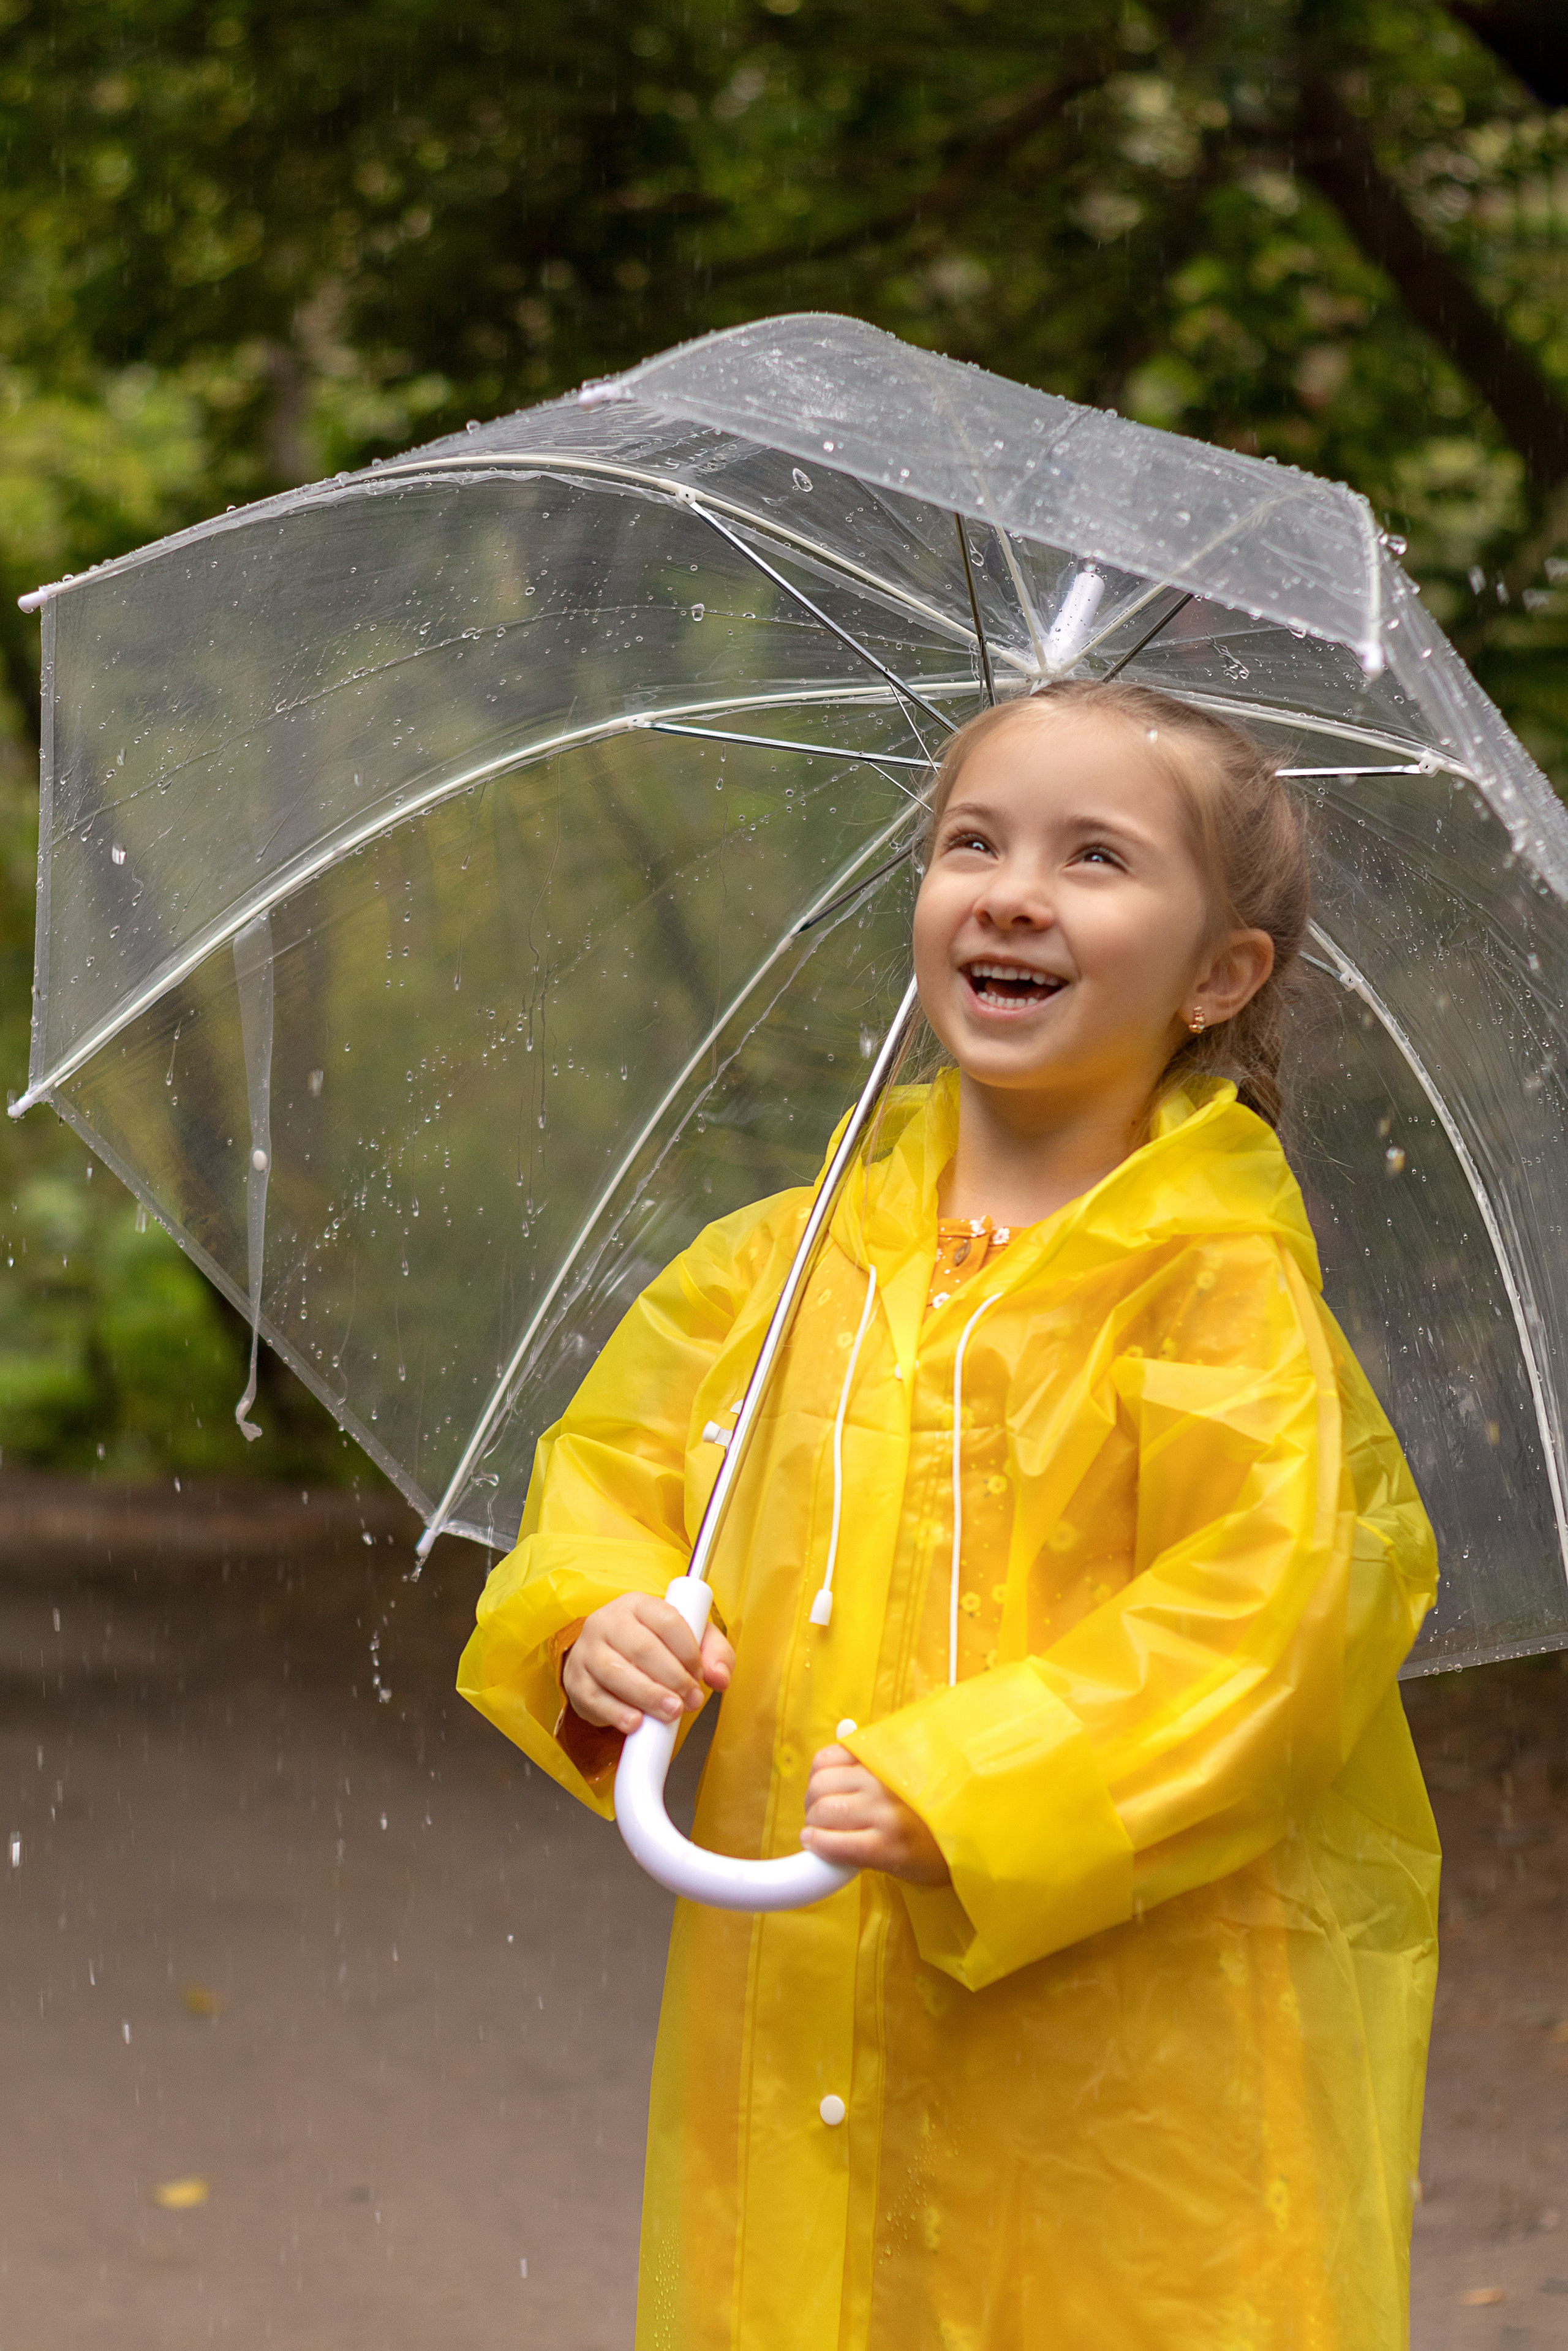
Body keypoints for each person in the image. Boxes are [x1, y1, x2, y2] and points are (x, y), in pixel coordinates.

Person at [458, 679, 1439, 2351]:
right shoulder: (779, 1266)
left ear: (1223, 976)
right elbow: (619, 1484)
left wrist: (974, 1784)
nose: (1011, 890)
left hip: (1125, 2053)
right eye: (970, 842)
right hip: (801, 2014)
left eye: (1096, 858)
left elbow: (1266, 1629)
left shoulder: (1217, 1297)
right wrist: (595, 1617)